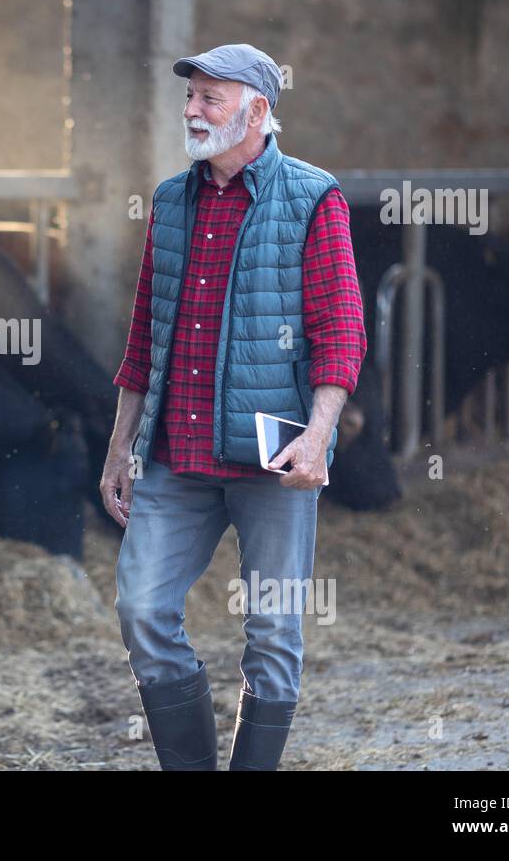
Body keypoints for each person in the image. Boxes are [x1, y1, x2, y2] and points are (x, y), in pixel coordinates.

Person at [100, 43, 366, 770]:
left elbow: (341, 334)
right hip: (175, 456)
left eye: (210, 98)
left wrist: (317, 439)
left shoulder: (313, 197)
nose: (191, 110)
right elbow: (143, 339)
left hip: (274, 461)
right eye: (191, 96)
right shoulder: (169, 202)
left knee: (274, 633)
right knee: (142, 613)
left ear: (257, 110)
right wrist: (121, 447)